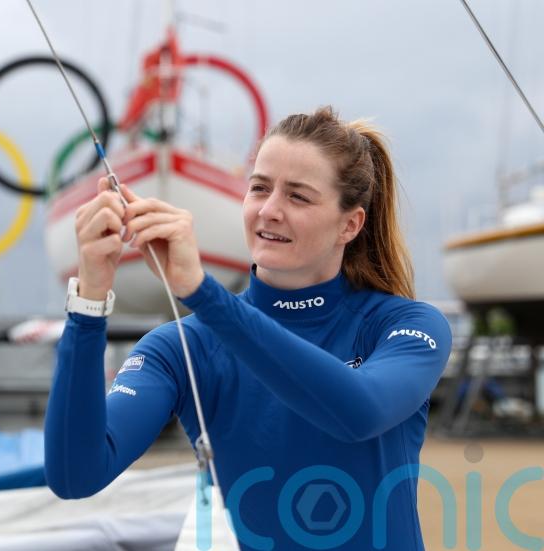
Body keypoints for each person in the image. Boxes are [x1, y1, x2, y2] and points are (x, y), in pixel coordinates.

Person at [45, 106, 452, 550]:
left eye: (298, 196)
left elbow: (361, 412)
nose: (270, 210)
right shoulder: (181, 347)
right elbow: (75, 474)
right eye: (259, 188)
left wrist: (203, 292)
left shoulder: (404, 324)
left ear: (349, 224)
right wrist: (88, 302)